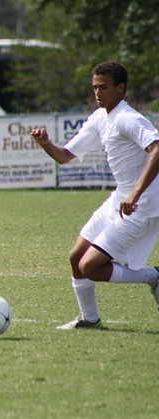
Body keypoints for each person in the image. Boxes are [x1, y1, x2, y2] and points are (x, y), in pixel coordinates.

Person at [30, 61, 159, 329]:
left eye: (104, 87)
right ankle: (89, 319)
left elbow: (156, 149)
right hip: (120, 199)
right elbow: (64, 156)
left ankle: (153, 276)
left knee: (90, 266)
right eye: (94, 87)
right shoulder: (100, 118)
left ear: (120, 88)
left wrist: (135, 194)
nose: (97, 92)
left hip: (142, 206)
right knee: (76, 257)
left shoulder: (128, 118)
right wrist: (46, 144)